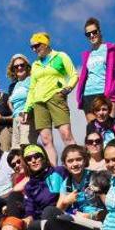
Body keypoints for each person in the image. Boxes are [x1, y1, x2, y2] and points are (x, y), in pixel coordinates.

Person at [25, 32, 78, 165]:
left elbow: (74, 75)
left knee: (66, 134)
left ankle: (76, 163)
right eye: (32, 47)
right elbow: (32, 88)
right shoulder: (35, 65)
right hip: (38, 103)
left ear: (45, 44)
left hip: (56, 98)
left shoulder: (60, 56)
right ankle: (54, 172)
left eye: (37, 45)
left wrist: (68, 89)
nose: (34, 49)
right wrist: (27, 108)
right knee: (45, 139)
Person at [76, 17, 115, 123]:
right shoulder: (87, 55)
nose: (91, 35)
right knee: (94, 133)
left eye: (94, 32)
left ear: (99, 31)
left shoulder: (111, 49)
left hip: (105, 94)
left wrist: (110, 89)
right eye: (88, 34)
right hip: (88, 95)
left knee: (109, 132)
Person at [22, 145, 66, 222]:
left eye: (37, 156)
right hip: (41, 220)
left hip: (63, 214)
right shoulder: (29, 186)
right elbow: (30, 210)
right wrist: (29, 218)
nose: (33, 161)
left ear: (43, 157)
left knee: (48, 211)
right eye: (29, 159)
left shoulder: (59, 171)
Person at [7, 54, 32, 149]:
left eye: (22, 65)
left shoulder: (31, 80)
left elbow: (33, 97)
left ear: (27, 66)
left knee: (26, 147)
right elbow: (10, 101)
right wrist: (14, 113)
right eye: (16, 66)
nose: (19, 68)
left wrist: (27, 111)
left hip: (26, 117)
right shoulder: (16, 85)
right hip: (16, 118)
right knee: (16, 150)